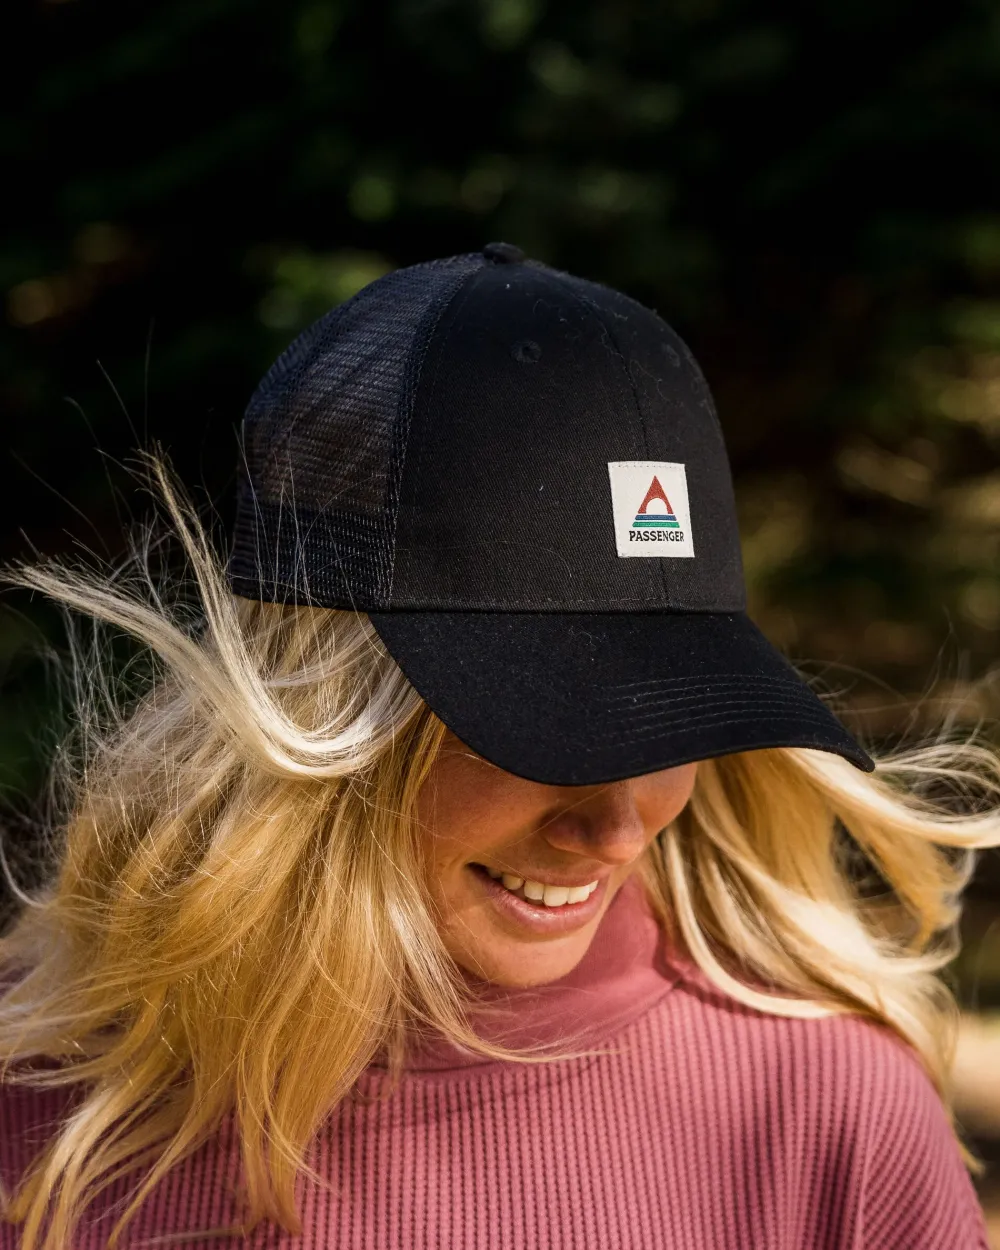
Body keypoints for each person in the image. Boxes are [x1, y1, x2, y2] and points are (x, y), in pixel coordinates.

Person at [0, 242, 996, 1249]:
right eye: (551, 728)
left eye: (673, 721)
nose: (617, 828)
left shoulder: (828, 1115)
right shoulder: (42, 1103)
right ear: (329, 716)